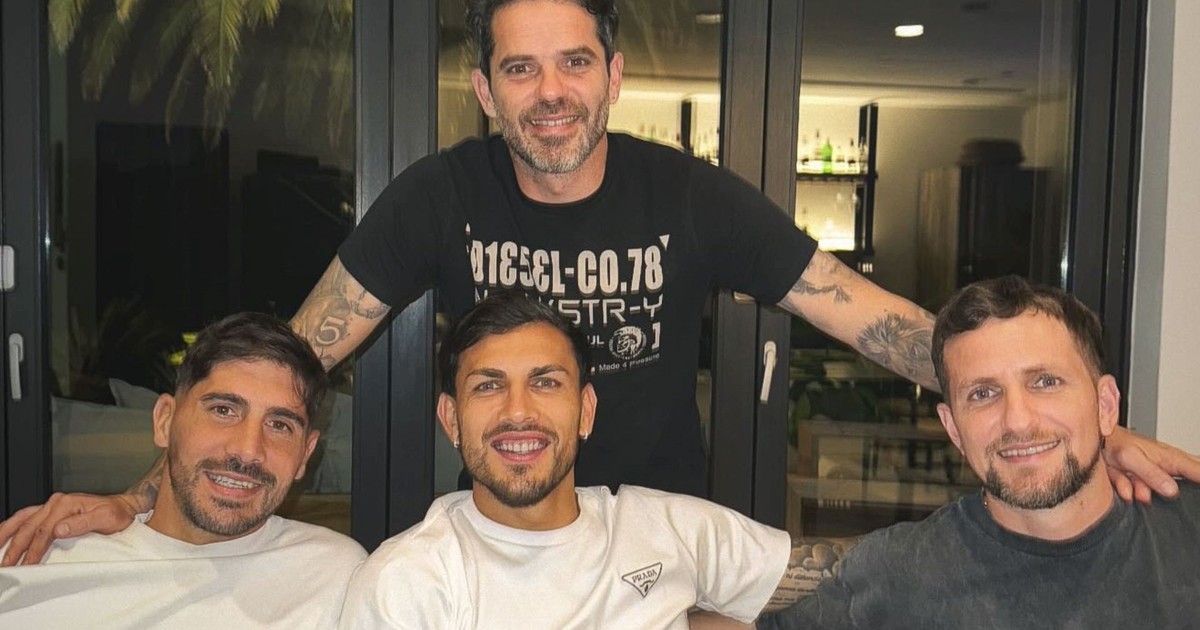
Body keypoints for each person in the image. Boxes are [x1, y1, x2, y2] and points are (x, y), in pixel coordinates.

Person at [3, 0, 1198, 565]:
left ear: (613, 76)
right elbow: (292, 361)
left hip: (660, 548)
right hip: (501, 537)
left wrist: (1064, 417)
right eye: (520, 70)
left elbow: (873, 323)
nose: (550, 94)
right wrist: (148, 498)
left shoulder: (693, 197)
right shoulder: (436, 194)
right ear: (486, 90)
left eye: (573, 62)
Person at [338, 292, 832, 629]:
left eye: (545, 382)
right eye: (488, 386)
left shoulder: (669, 529)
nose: (517, 411)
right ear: (451, 419)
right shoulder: (407, 583)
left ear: (586, 411)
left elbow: (851, 579)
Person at [749, 276, 1200, 629]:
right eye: (983, 394)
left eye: (1045, 382)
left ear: (1105, 406)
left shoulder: (1187, 532)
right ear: (954, 429)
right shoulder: (903, 572)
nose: (1017, 421)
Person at [0, 313, 367, 628]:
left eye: (280, 425)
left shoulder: (336, 575)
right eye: (223, 410)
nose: (248, 450)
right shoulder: (38, 560)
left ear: (305, 454)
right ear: (165, 421)